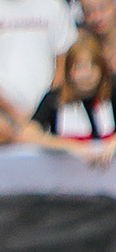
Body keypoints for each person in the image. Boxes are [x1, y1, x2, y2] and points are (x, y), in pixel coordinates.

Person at [17, 34, 116, 163]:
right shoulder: (55, 99)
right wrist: (70, 146)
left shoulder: (112, 92)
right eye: (80, 67)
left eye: (93, 66)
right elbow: (26, 134)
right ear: (69, 70)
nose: (87, 74)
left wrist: (112, 144)